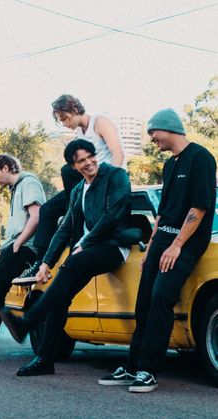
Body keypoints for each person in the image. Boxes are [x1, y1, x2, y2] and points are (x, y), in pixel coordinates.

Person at [98, 108, 217, 392]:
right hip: (162, 239)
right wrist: (152, 248)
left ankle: (148, 371)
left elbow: (199, 207)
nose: (151, 139)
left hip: (185, 242)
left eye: (153, 133)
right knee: (144, 303)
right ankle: (133, 366)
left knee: (162, 297)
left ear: (168, 128)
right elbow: (162, 214)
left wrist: (176, 246)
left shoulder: (201, 157)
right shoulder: (170, 164)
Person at [0, 139, 131, 376]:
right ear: (73, 166)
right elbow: (65, 229)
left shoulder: (116, 176)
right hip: (88, 251)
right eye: (82, 160)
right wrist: (46, 262)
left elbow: (114, 214)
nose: (89, 162)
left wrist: (85, 243)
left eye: (91, 156)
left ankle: (27, 322)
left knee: (74, 262)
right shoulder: (79, 190)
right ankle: (45, 360)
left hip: (114, 246)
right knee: (60, 298)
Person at [15, 94, 125, 282]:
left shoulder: (100, 122)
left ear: (74, 110)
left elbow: (119, 155)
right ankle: (41, 261)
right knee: (48, 210)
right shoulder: (81, 134)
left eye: (65, 118)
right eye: (61, 121)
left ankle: (74, 220)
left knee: (67, 171)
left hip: (104, 182)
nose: (64, 124)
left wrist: (111, 183)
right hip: (86, 183)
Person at [0, 154, 46, 361]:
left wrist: (18, 243)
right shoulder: (17, 187)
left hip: (23, 247)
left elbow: (36, 216)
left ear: (7, 167)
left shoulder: (28, 182)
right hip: (15, 246)